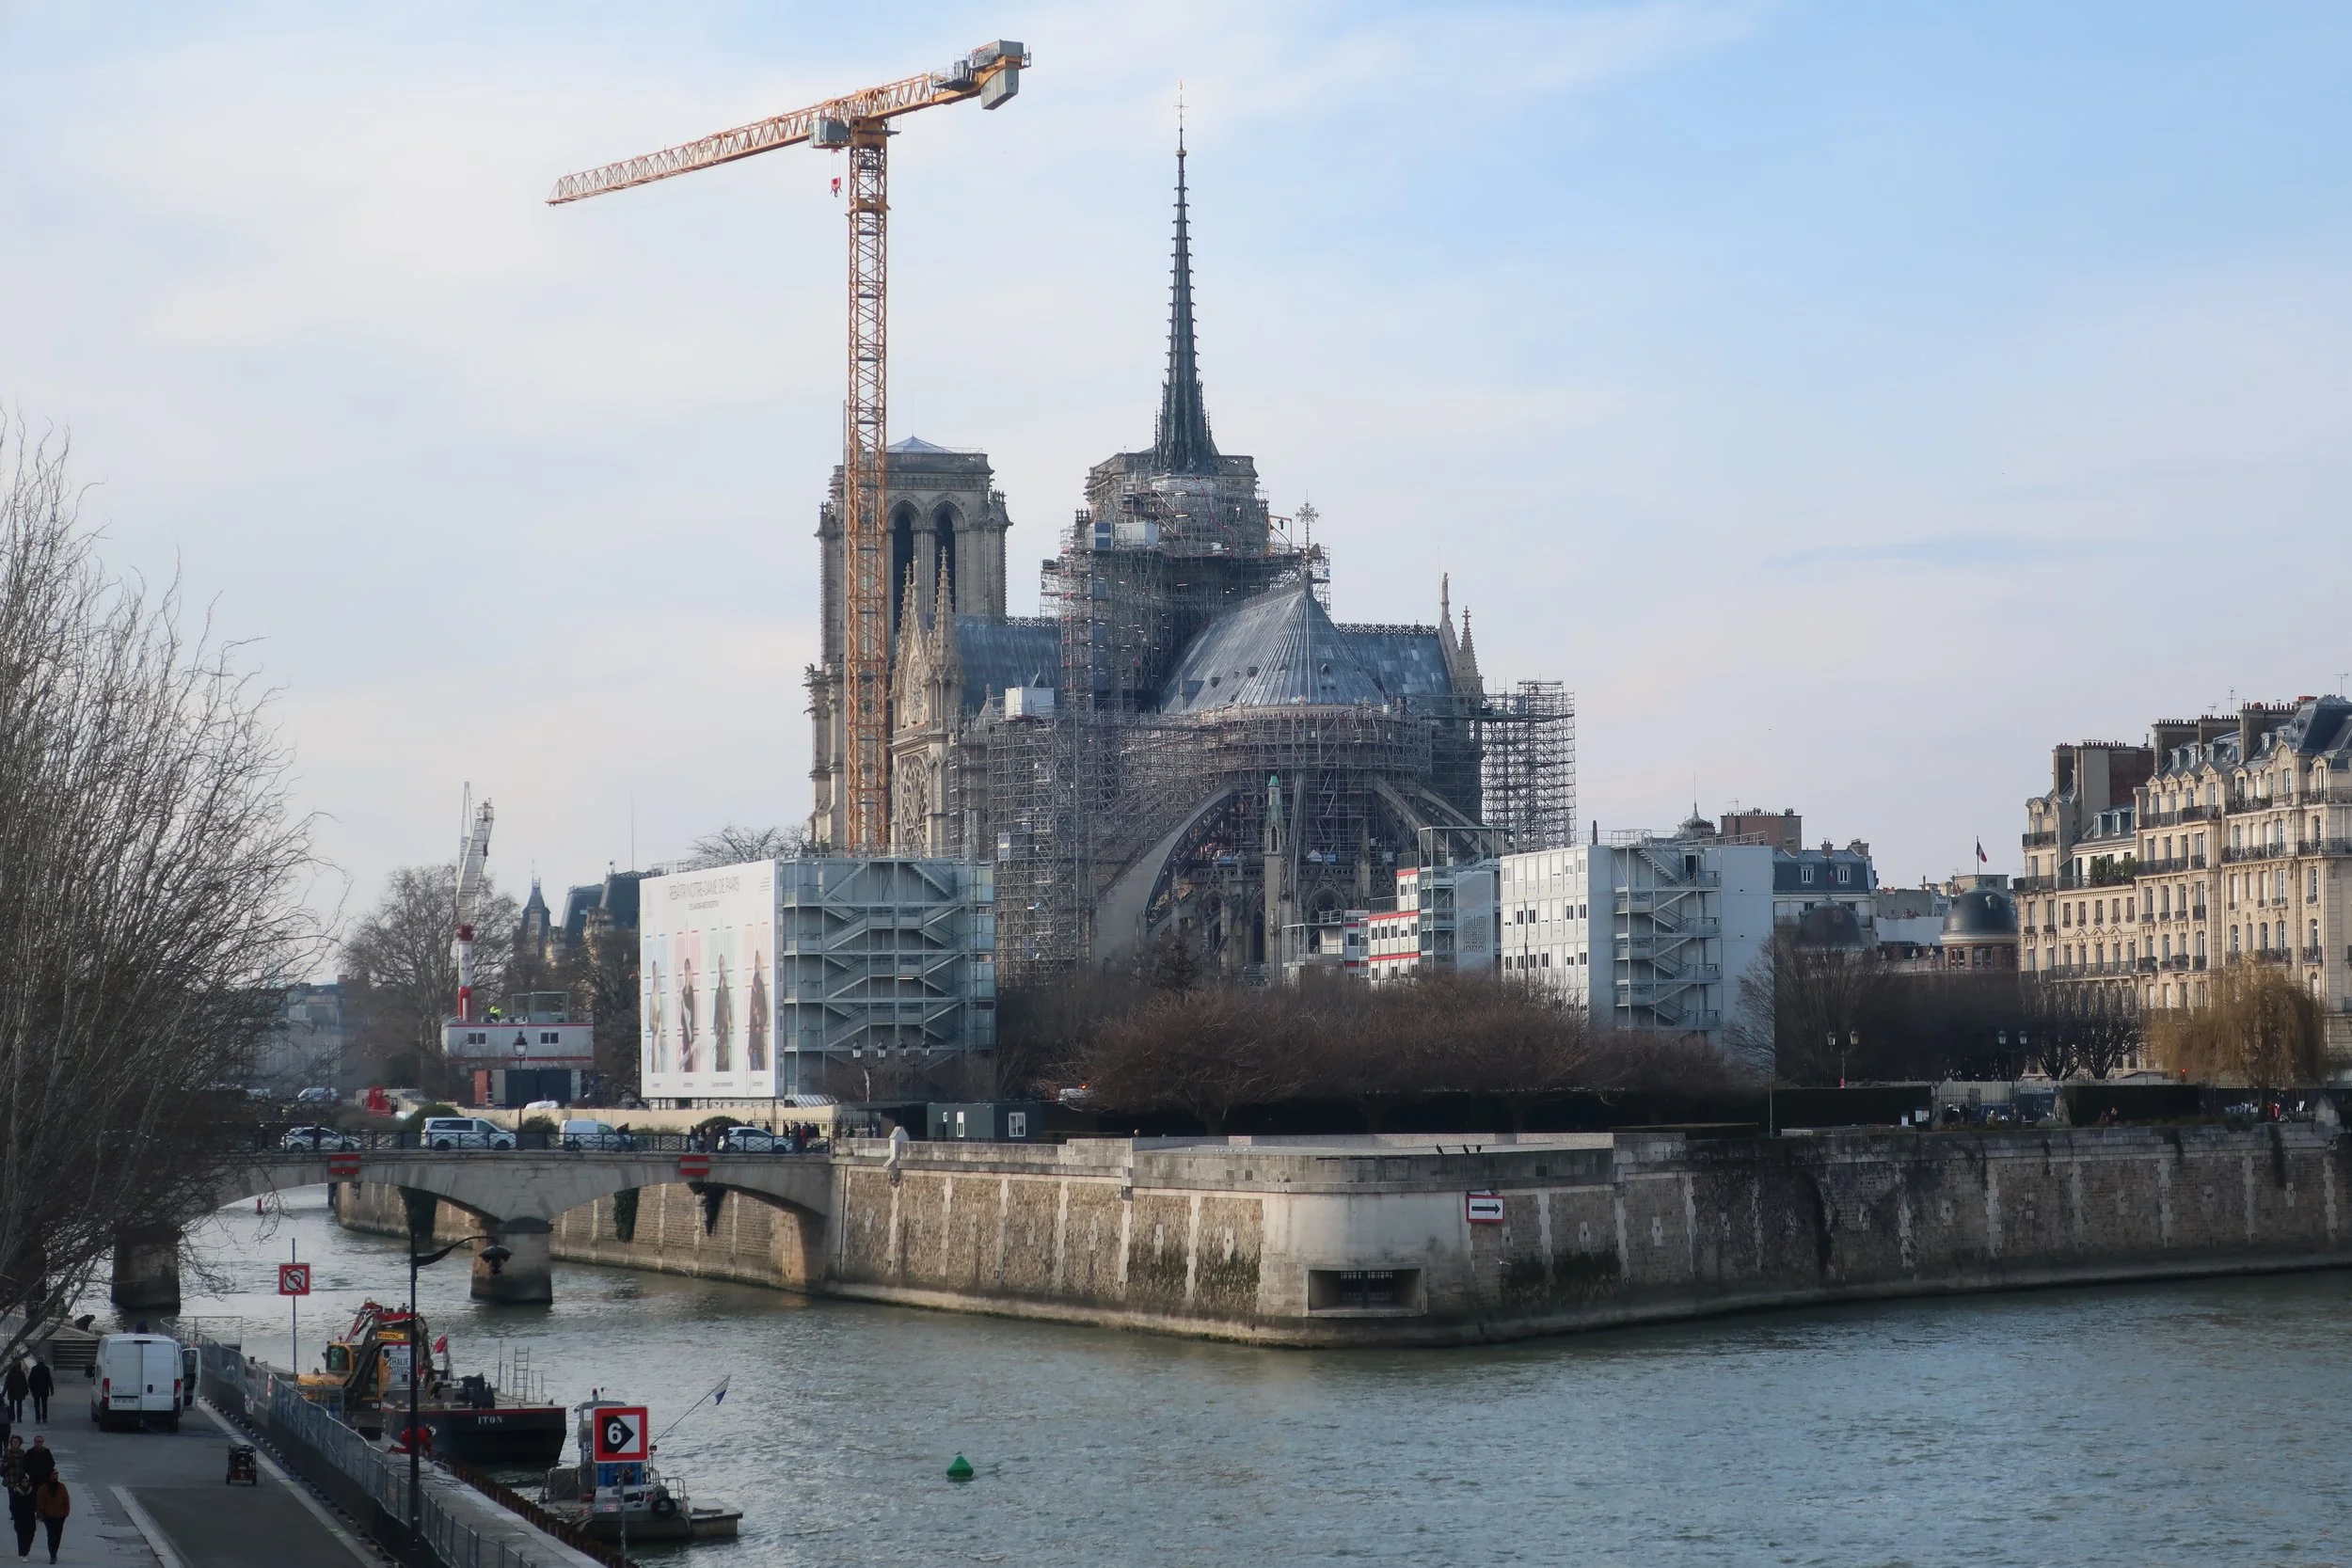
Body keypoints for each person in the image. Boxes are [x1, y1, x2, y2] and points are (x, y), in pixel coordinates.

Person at [28, 1472, 63, 1565]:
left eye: (56, 1475)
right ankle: (52, 1554)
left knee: (58, 1535)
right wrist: (40, 1514)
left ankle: (54, 1552)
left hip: (60, 1516)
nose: (55, 1476)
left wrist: (65, 1513)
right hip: (48, 1516)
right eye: (53, 1475)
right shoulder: (43, 1488)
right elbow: (39, 1502)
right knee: (51, 1535)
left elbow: (66, 1500)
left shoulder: (61, 1487)